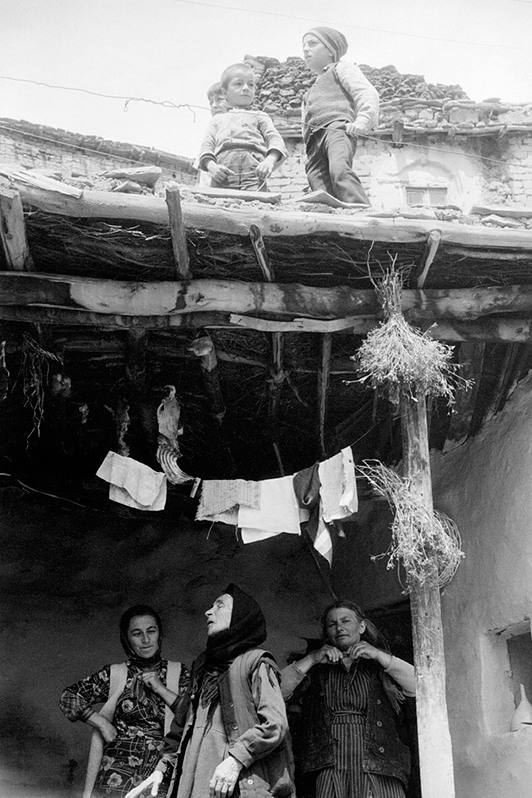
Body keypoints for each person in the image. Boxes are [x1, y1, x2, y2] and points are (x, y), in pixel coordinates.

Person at [125, 584, 295, 798]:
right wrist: (161, 770)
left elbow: (275, 724)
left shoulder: (255, 662)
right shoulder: (203, 667)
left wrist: (236, 759)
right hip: (195, 786)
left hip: (234, 788)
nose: (208, 611)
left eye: (219, 606)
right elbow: (181, 726)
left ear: (239, 617)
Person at [281, 600, 415, 798]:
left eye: (346, 621)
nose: (339, 628)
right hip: (330, 765)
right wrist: (312, 658)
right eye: (332, 624)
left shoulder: (380, 665)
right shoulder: (316, 668)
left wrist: (378, 655)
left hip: (380, 764)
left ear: (361, 626)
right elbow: (276, 692)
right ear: (327, 632)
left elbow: (419, 685)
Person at [60, 605, 190, 798]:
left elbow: (194, 714)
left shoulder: (179, 674)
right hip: (116, 774)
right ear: (127, 639)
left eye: (151, 631)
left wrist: (160, 688)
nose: (146, 640)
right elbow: (68, 697)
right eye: (137, 634)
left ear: (159, 634)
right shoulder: (115, 674)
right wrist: (101, 723)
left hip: (160, 773)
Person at [301, 27, 379, 205]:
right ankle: (333, 226)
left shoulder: (341, 68)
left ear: (330, 50)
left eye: (312, 43)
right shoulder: (309, 92)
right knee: (316, 181)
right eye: (303, 45)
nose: (306, 49)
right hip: (314, 140)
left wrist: (363, 120)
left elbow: (366, 92)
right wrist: (306, 151)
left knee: (339, 170)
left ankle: (361, 212)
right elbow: (304, 123)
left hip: (336, 128)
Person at [198, 63, 287, 191]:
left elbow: (275, 139)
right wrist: (212, 167)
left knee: (255, 207)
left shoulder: (260, 116)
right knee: (222, 207)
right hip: (223, 175)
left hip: (253, 174)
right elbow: (206, 146)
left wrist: (269, 161)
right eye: (238, 84)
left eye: (251, 84)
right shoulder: (217, 120)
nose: (246, 88)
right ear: (225, 92)